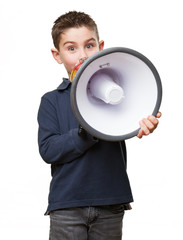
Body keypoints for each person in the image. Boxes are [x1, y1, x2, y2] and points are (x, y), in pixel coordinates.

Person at [37, 11, 161, 240]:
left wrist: (145, 120)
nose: (82, 55)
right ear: (57, 55)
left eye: (90, 45)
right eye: (71, 48)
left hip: (110, 201)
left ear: (101, 46)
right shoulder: (51, 101)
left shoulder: (120, 88)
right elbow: (48, 150)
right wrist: (86, 132)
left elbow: (132, 115)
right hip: (67, 204)